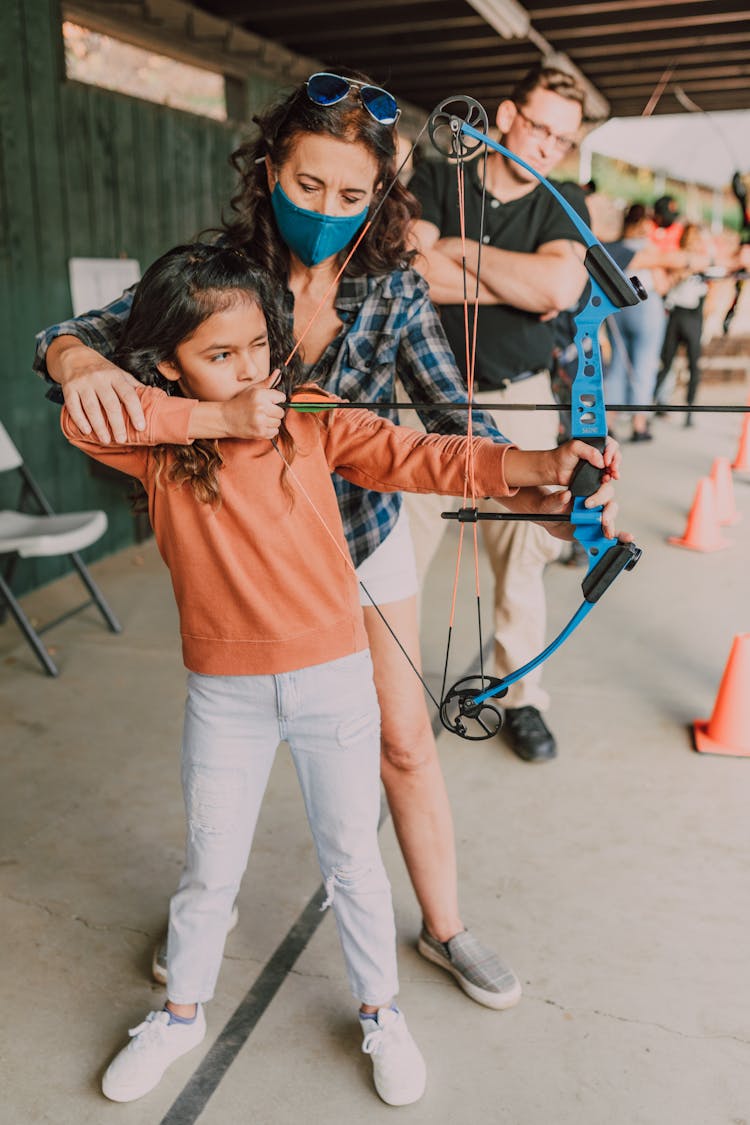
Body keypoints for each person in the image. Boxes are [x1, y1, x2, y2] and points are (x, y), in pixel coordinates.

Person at [33, 71, 587, 1009]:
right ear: (269, 175)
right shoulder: (219, 271)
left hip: (359, 536)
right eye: (307, 187)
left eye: (350, 195)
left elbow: (449, 419)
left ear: (379, 196)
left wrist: (536, 473)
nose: (326, 210)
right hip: (242, 550)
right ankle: (207, 913)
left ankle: (445, 924)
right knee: (229, 756)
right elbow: (72, 331)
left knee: (404, 738)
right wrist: (78, 355)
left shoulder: (394, 287)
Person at [60, 242, 621, 1105]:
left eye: (258, 348)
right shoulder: (159, 440)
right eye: (217, 357)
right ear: (167, 364)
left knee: (354, 858)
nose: (249, 371)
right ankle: (179, 1015)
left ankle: (381, 1011)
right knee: (211, 868)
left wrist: (542, 469)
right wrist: (216, 419)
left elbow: (423, 455)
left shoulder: (312, 415)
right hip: (225, 696)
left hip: (333, 684)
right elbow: (81, 419)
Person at [409, 65, 592, 764]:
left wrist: (457, 251)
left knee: (524, 550)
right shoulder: (435, 176)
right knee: (400, 546)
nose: (547, 146)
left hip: (518, 396)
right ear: (508, 115)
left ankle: (520, 696)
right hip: (425, 397)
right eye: (539, 126)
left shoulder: (562, 197)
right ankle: (379, 691)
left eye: (562, 138)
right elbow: (409, 268)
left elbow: (559, 285)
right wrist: (510, 282)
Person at [603, 203, 670, 441]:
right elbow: (661, 284)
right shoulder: (649, 249)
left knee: (618, 365)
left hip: (618, 307)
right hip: (647, 307)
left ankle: (609, 422)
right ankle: (639, 424)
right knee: (644, 365)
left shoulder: (614, 249)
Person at [654, 224, 711, 427]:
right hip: (676, 313)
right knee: (666, 361)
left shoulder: (706, 261)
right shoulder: (678, 258)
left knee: (693, 365)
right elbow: (668, 284)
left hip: (694, 316)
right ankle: (650, 406)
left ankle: (689, 411)